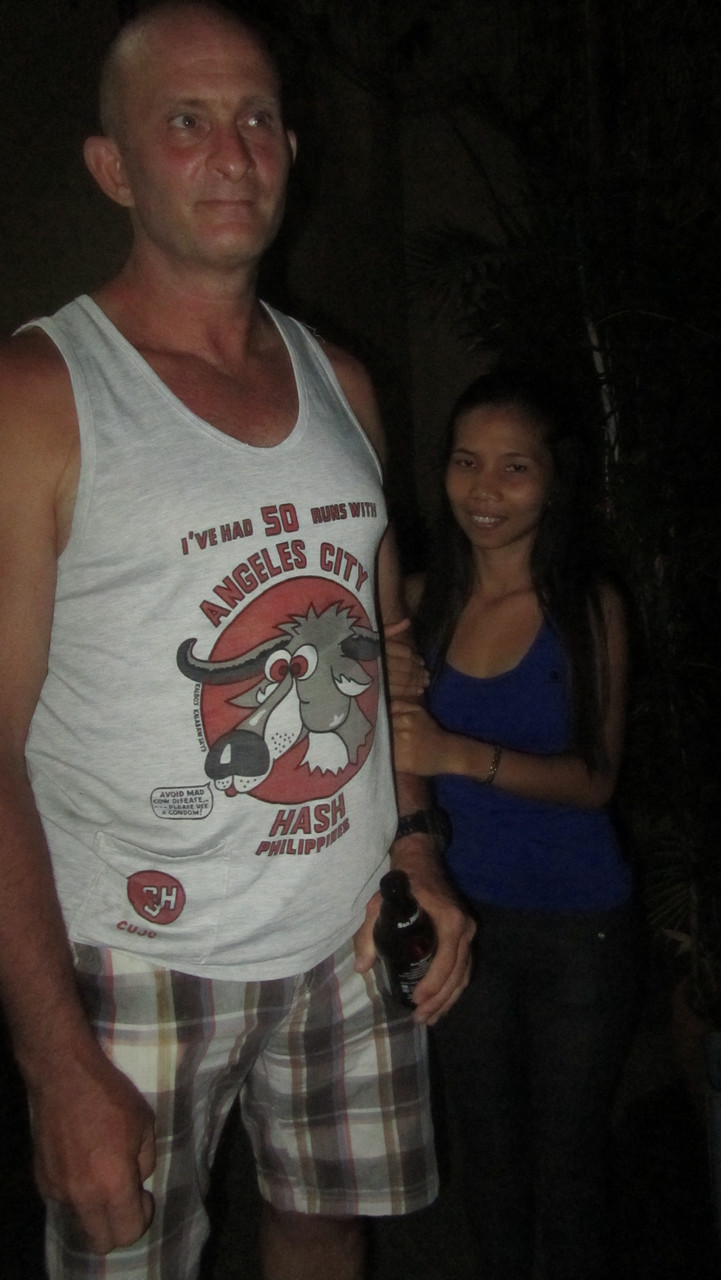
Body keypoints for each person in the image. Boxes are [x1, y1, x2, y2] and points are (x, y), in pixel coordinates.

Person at [0, 4, 474, 1278]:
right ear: (113, 166)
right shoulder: (38, 395)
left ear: (291, 151)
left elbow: (380, 649)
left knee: (322, 1234)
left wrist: (415, 843)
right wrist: (53, 1063)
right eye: (187, 121)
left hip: (347, 929)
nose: (233, 152)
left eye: (257, 118)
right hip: (136, 956)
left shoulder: (343, 382)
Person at [390, 365, 637, 1280]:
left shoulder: (586, 609)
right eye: (465, 462)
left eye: (513, 467)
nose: (483, 490)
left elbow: (595, 779)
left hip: (579, 926)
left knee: (569, 1166)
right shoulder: (419, 605)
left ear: (553, 479)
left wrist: (458, 754)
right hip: (463, 920)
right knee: (487, 1159)